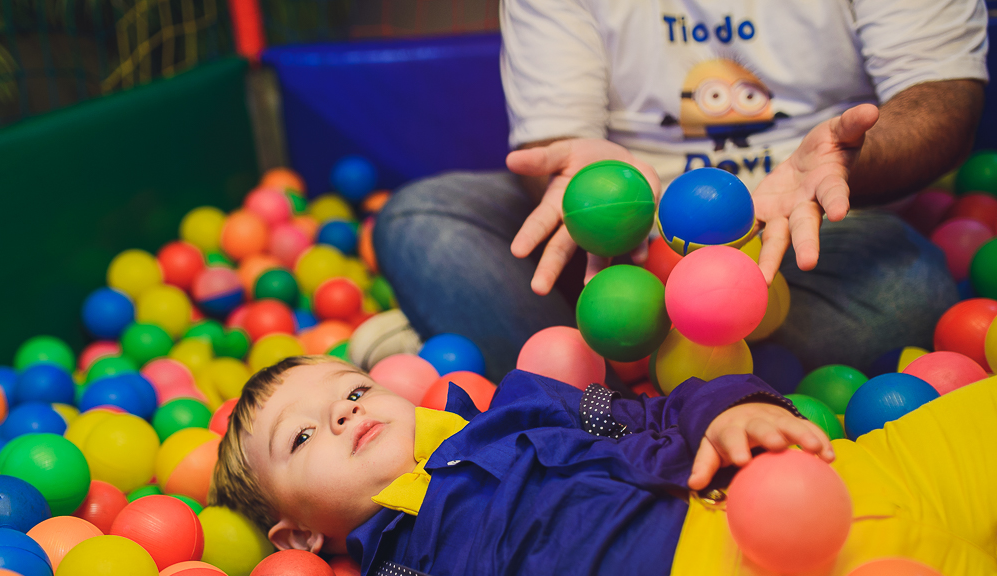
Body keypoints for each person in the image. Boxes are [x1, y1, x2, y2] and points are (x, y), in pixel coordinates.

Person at [210, 355, 997, 576]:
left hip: (840, 465)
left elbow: (653, 410)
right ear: (298, 539)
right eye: (302, 437)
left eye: (351, 389)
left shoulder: (517, 403)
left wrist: (732, 410)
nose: (342, 413)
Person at [374, 0, 989, 378]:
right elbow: (558, 140)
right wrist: (587, 181)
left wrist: (846, 162)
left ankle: (600, 375)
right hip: (621, 239)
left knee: (907, 287)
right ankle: (643, 383)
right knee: (420, 220)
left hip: (796, 229)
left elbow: (943, 99)